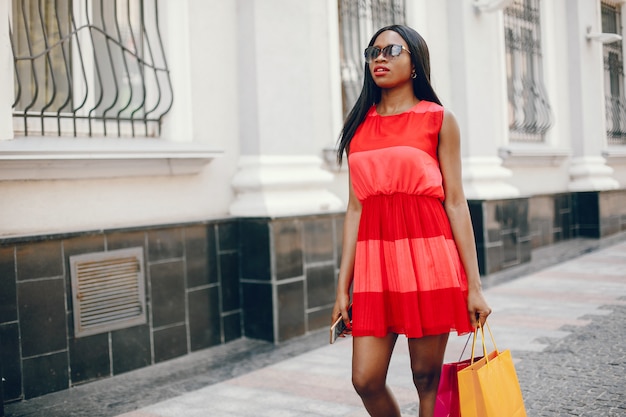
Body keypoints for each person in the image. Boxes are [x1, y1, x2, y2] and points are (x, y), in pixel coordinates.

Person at [331, 24, 492, 417]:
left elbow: (455, 202)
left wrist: (474, 286)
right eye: (372, 53)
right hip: (375, 267)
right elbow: (356, 208)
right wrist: (342, 287)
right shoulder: (359, 127)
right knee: (365, 380)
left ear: (415, 63)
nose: (379, 58)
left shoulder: (438, 119)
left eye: (391, 51)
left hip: (429, 259)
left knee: (426, 378)